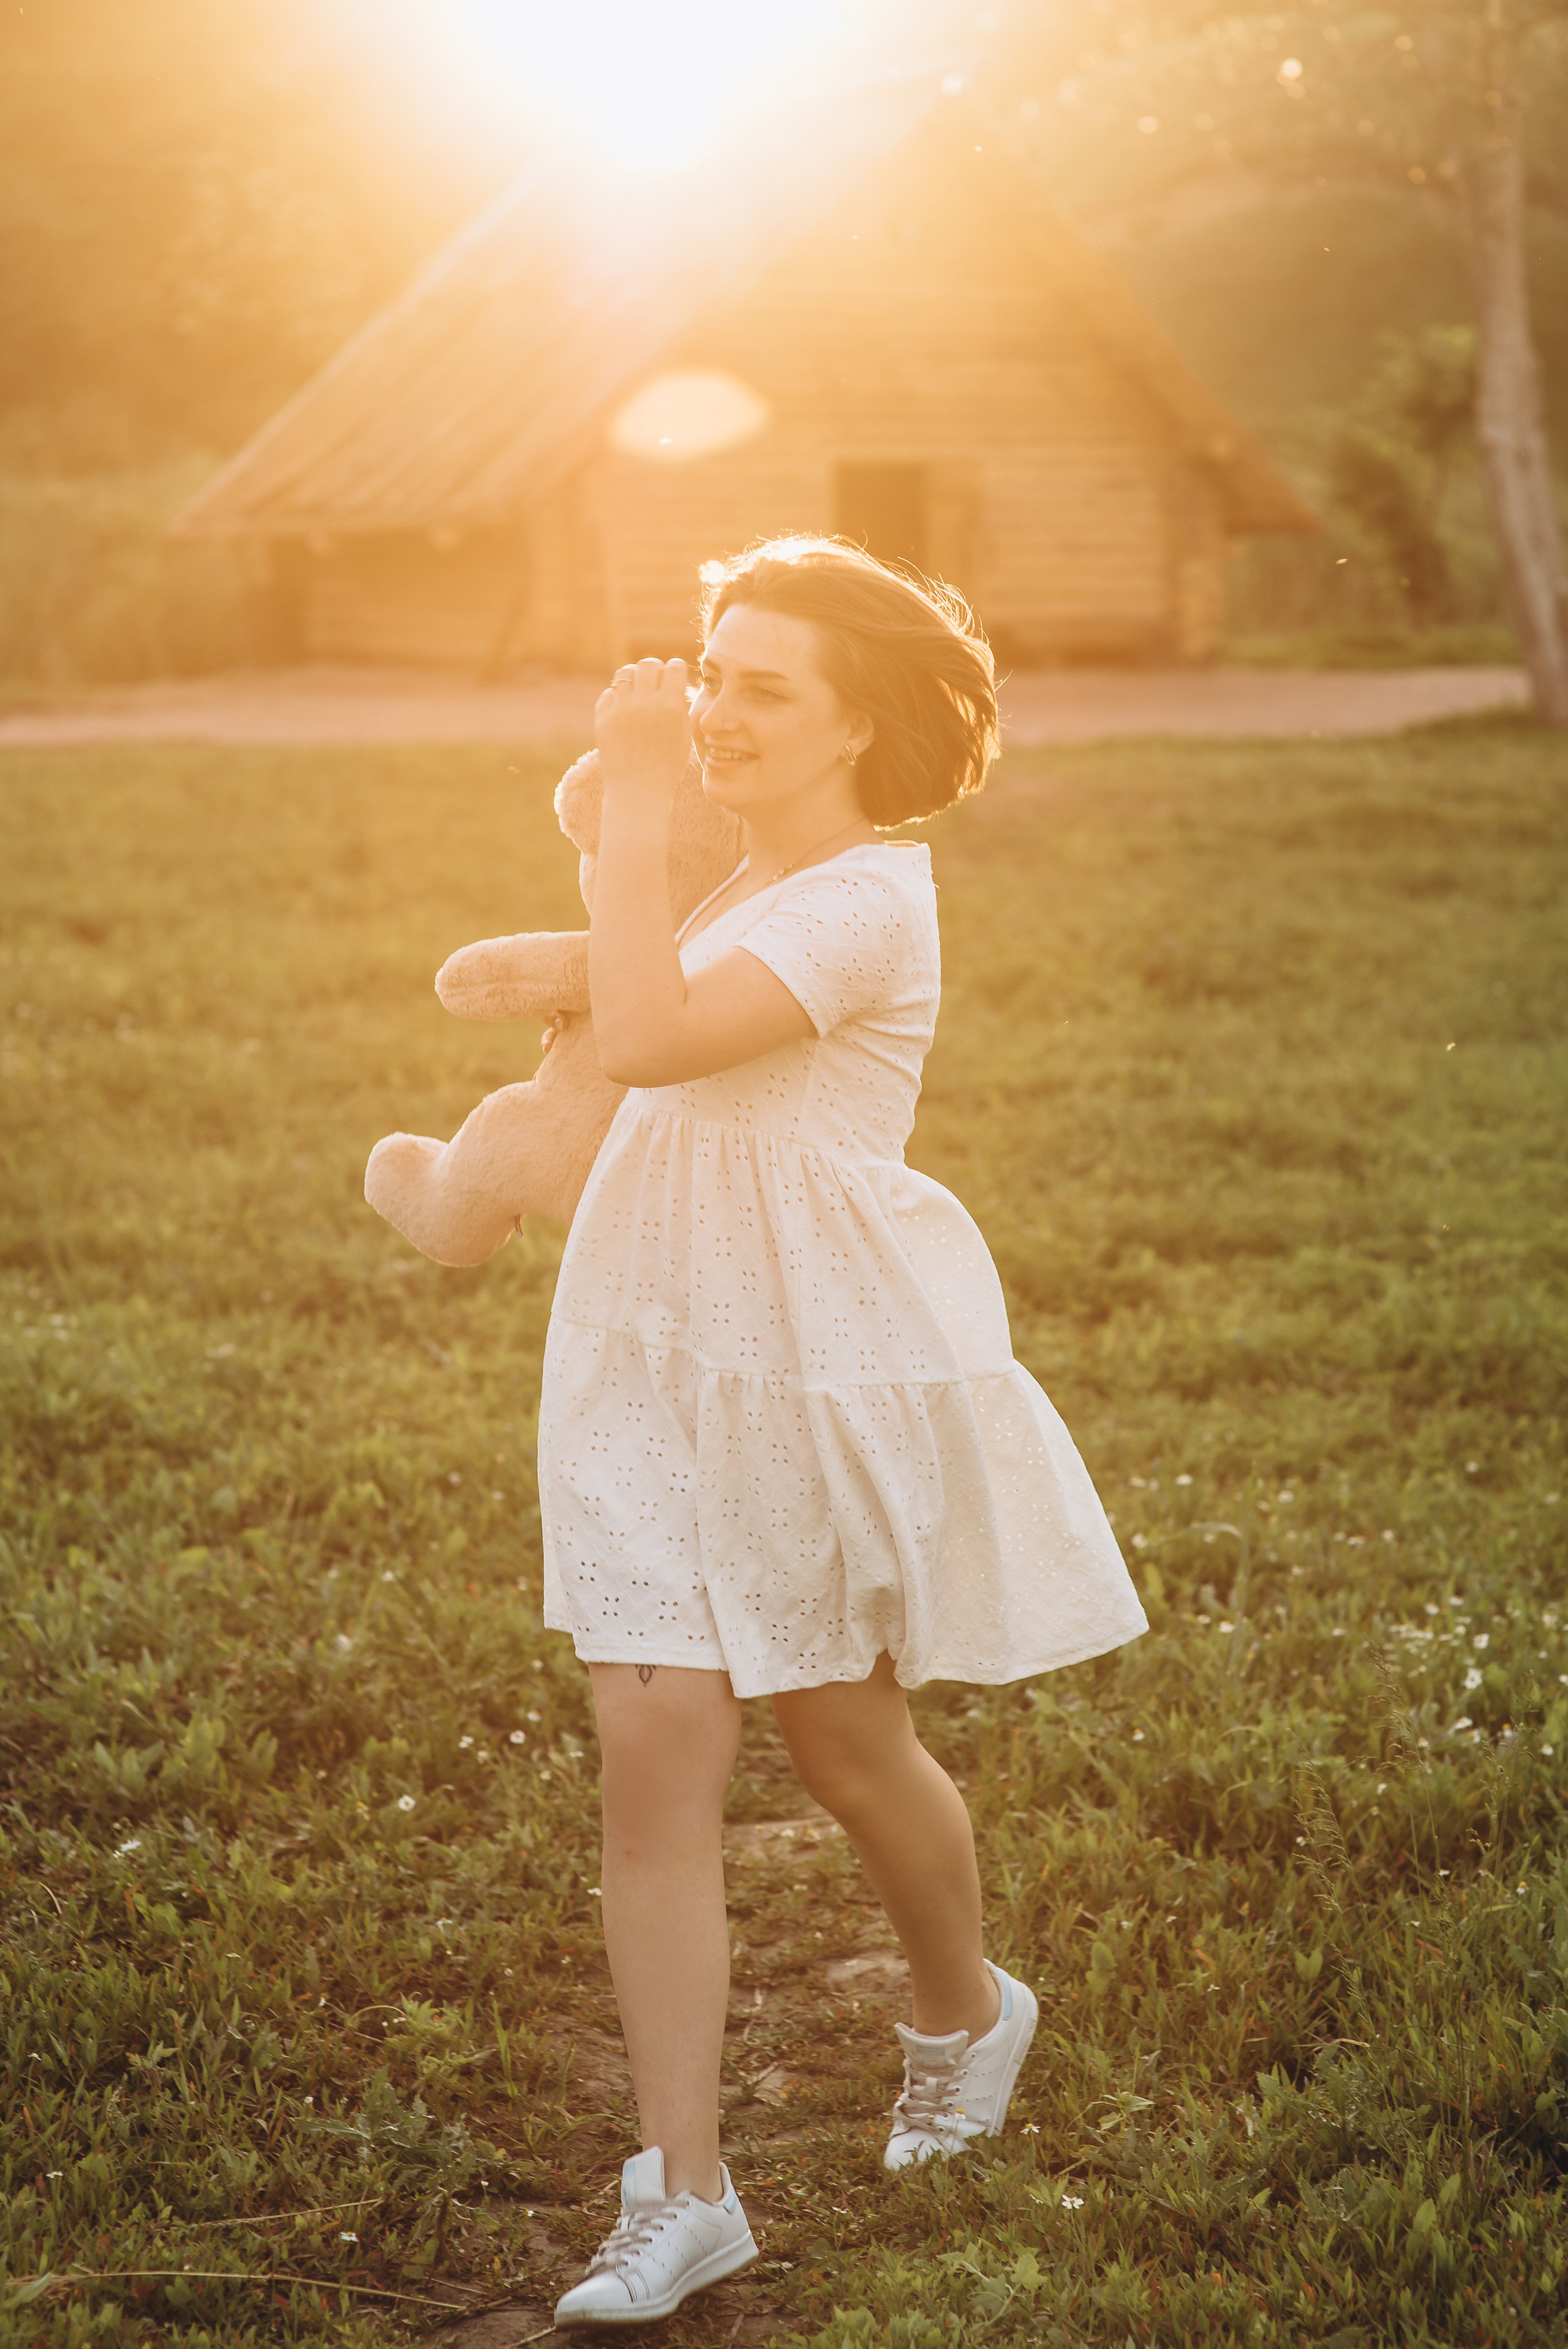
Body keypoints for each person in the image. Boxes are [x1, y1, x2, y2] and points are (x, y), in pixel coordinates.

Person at [540, 539, 1147, 2328]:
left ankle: (966, 2007)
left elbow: (647, 1035)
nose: (715, 707)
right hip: (648, 1353)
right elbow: (627, 991)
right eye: (707, 670)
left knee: (845, 1739)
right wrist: (618, 838)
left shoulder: (873, 898)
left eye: (760, 687)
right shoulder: (747, 883)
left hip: (800, 1363)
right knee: (650, 1745)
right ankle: (685, 2189)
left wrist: (639, 801)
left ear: (859, 724)